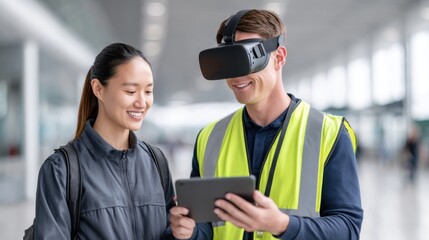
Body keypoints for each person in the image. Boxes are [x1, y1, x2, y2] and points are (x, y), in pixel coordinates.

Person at [169, 9, 363, 240]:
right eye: (229, 62)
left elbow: (348, 229)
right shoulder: (209, 138)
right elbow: (206, 227)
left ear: (279, 58)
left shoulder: (329, 133)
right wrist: (189, 232)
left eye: (248, 58)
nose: (236, 76)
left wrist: (282, 225)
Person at [34, 43, 175, 239]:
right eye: (131, 91)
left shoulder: (156, 162)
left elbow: (168, 231)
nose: (142, 102)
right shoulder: (61, 170)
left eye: (148, 91)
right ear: (99, 89)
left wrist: (182, 233)